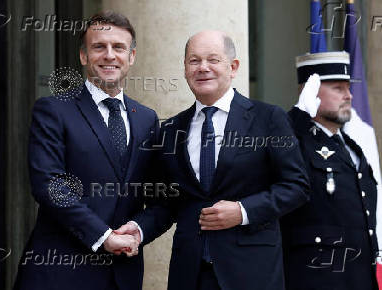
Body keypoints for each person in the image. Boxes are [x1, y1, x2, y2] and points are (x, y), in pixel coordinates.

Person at [118, 30, 310, 290]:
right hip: (190, 273)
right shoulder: (172, 130)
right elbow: (167, 204)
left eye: (213, 60)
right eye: (194, 61)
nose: (203, 68)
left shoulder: (268, 119)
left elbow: (296, 186)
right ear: (185, 69)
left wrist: (242, 211)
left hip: (251, 272)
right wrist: (138, 229)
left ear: (233, 67)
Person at [14, 11, 160, 290]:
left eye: (118, 47)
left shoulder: (146, 119)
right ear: (83, 56)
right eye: (99, 47)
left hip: (122, 275)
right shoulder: (54, 110)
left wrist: (139, 230)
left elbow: (160, 193)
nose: (109, 55)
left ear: (131, 57)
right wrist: (103, 236)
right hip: (60, 271)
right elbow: (49, 185)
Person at [281, 51, 379, 290]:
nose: (349, 95)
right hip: (315, 279)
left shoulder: (352, 147)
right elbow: (271, 153)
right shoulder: (296, 139)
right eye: (338, 88)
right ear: (310, 91)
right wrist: (298, 116)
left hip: (358, 278)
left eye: (348, 88)